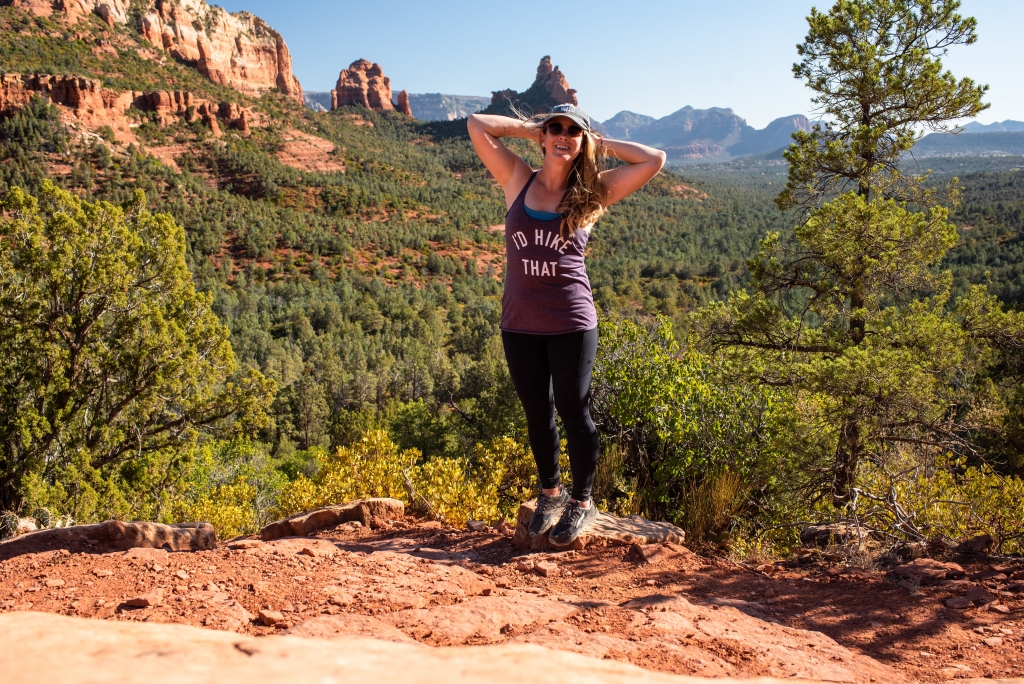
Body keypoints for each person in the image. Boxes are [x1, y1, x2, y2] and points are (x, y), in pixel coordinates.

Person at [467, 103, 666, 545]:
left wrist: (594, 140)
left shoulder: (592, 191)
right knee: (537, 412)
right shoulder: (517, 179)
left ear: (583, 142)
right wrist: (535, 129)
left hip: (571, 322)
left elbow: (654, 160)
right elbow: (477, 125)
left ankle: (581, 501)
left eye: (572, 131)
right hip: (519, 322)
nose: (563, 135)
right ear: (543, 136)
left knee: (574, 411)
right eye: (555, 128)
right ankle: (550, 494)